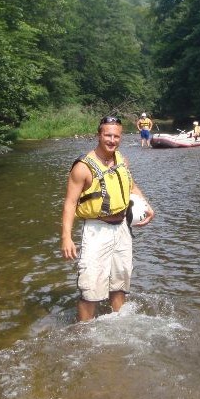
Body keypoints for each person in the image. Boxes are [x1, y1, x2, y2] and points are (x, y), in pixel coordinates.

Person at [61, 116, 155, 322]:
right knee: (90, 287)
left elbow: (130, 186)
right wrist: (66, 238)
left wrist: (147, 206)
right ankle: (84, 331)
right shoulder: (82, 167)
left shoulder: (122, 160)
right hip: (96, 229)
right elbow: (70, 203)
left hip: (122, 228)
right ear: (99, 135)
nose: (112, 140)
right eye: (108, 135)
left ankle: (118, 323)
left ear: (121, 137)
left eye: (116, 136)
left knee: (120, 281)